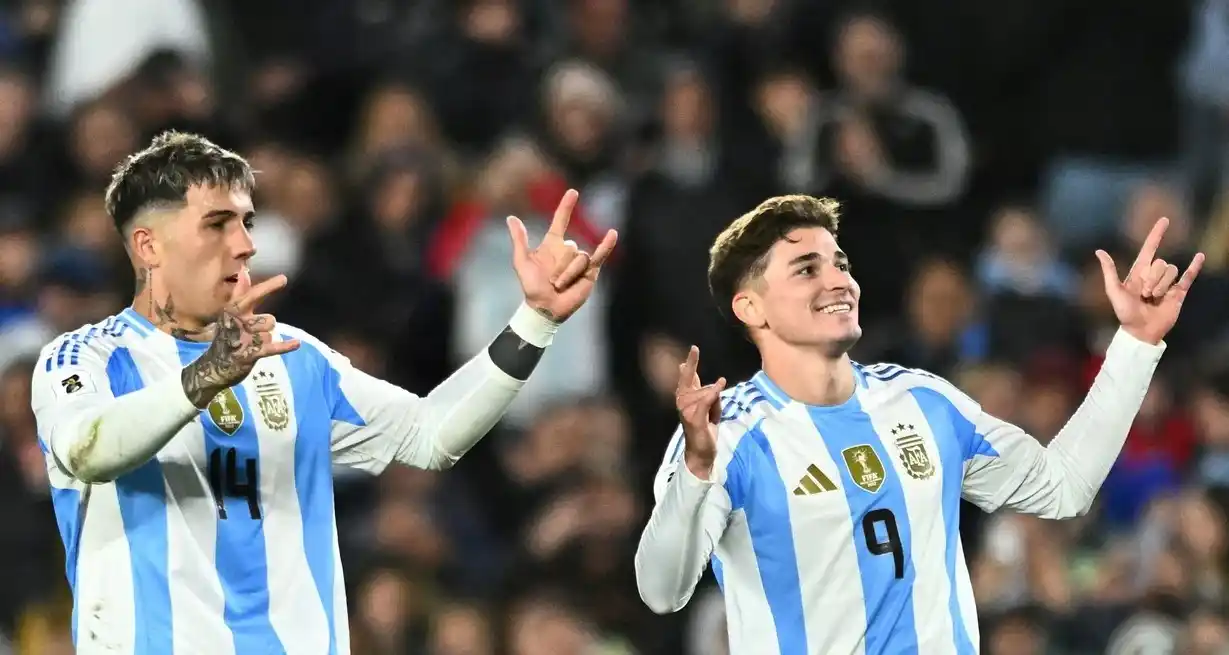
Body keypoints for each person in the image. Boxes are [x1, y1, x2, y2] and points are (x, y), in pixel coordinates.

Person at [29, 131, 617, 654]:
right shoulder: (87, 358)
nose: (245, 245)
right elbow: (87, 450)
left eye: (246, 222)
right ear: (148, 247)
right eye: (216, 223)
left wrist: (535, 322)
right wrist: (206, 376)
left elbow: (430, 435)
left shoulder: (293, 358)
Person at [634, 194, 1203, 653]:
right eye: (807, 269)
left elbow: (1062, 487)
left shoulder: (921, 399)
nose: (839, 281)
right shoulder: (724, 437)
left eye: (841, 264)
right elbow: (662, 591)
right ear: (750, 308)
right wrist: (697, 472)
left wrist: (1134, 344)